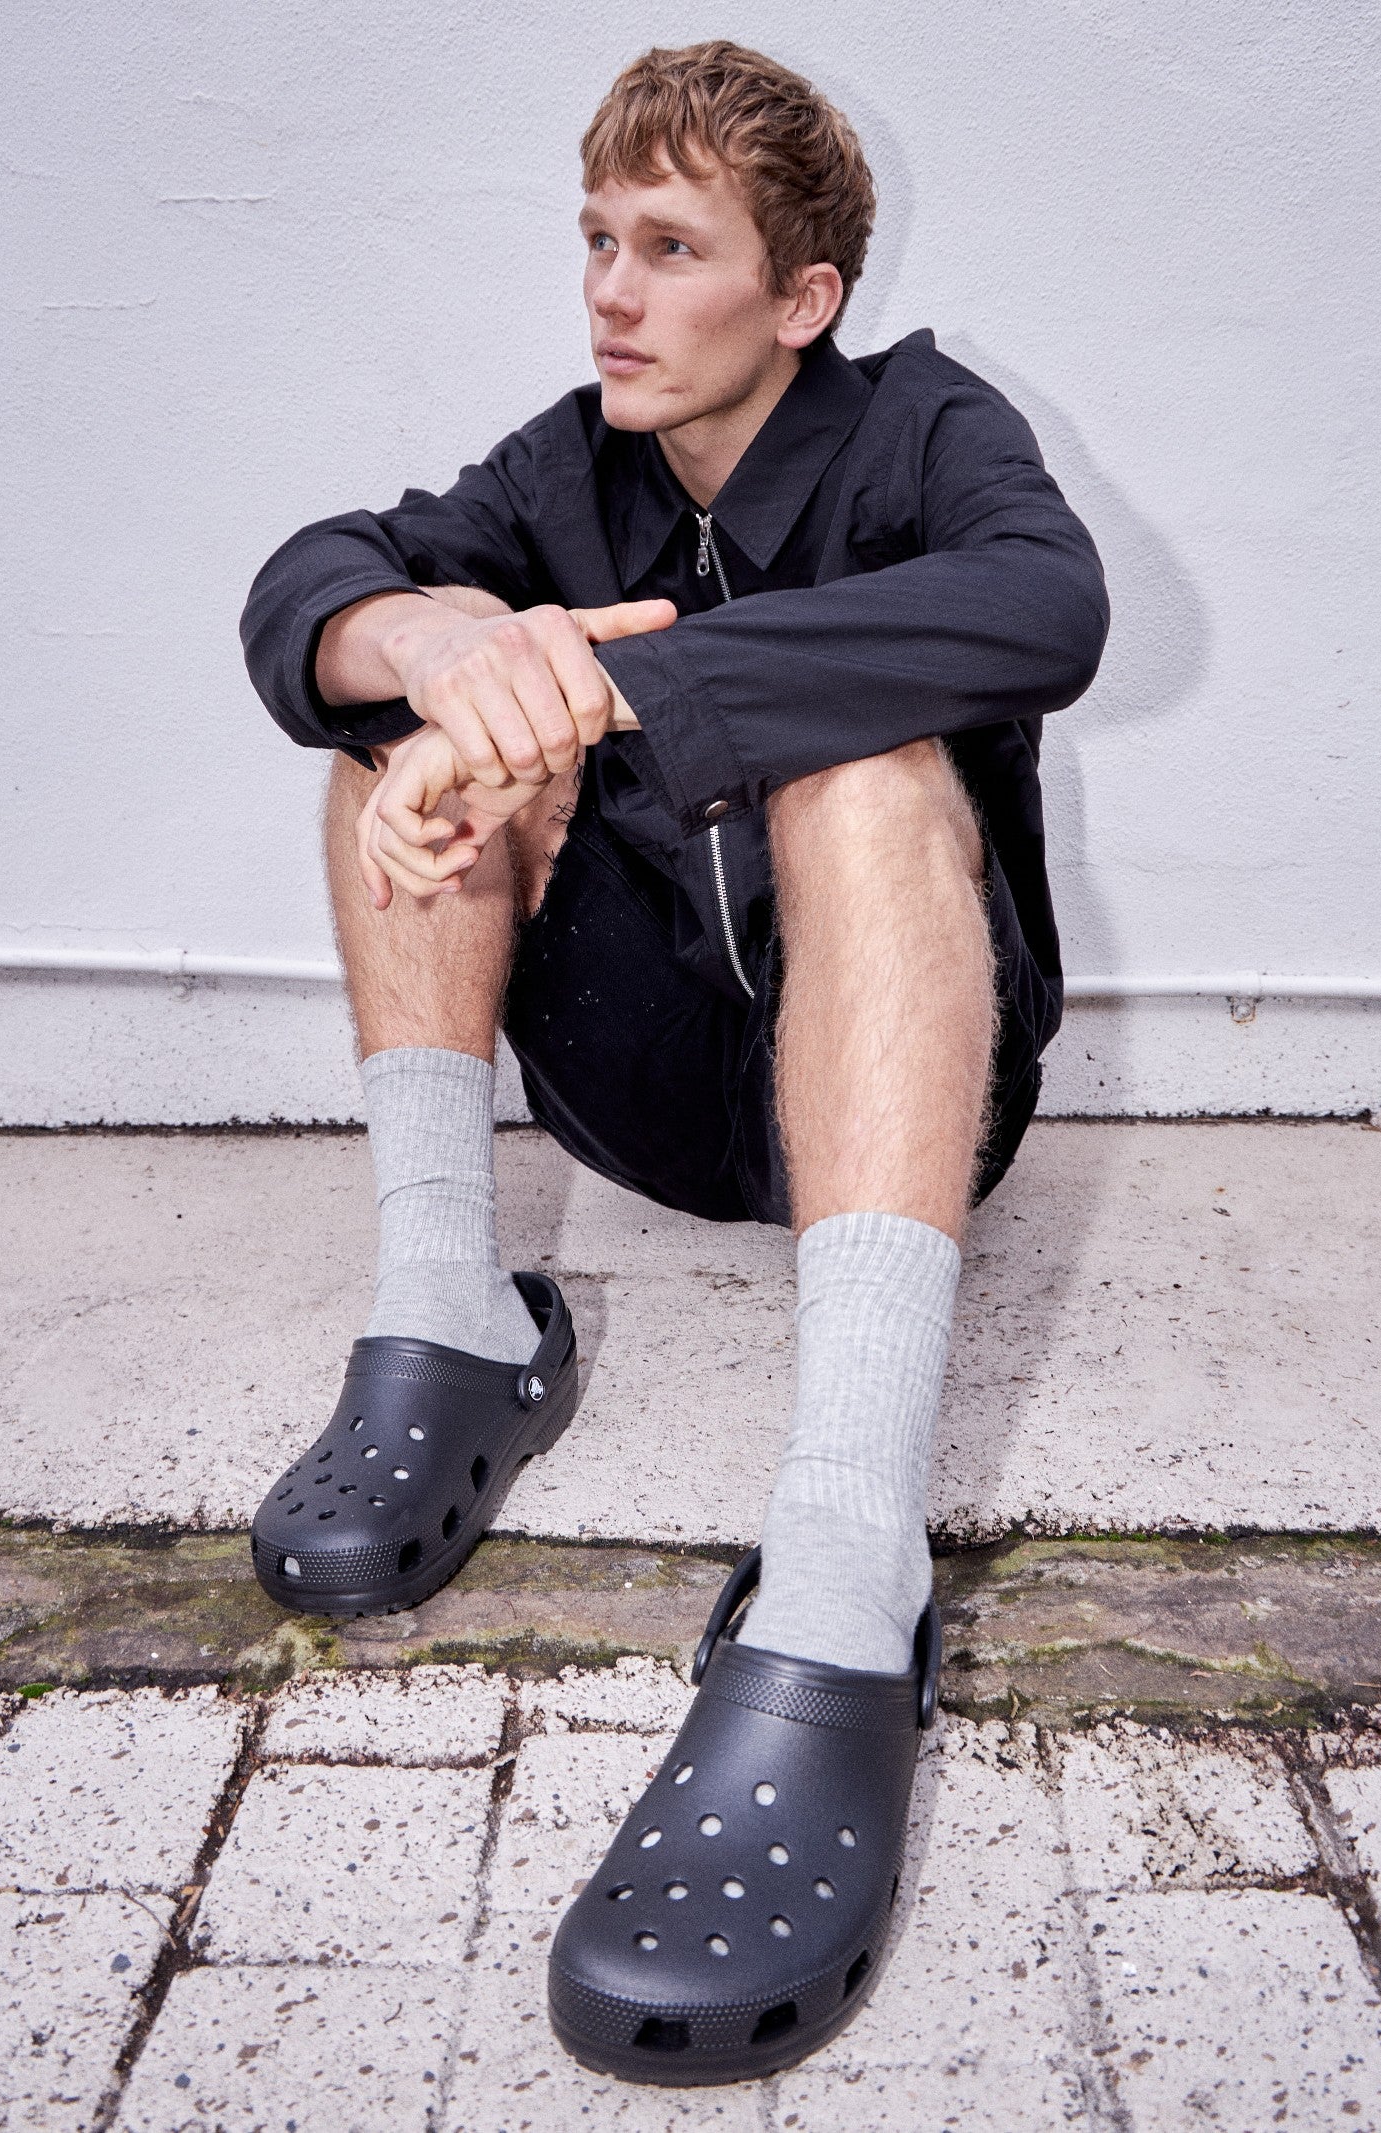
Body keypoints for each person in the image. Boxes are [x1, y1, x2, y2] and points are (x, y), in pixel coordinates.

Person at [240, 39, 1107, 2085]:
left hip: (904, 1099)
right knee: (407, 722)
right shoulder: (569, 468)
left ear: (801, 295)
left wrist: (621, 685)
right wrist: (442, 649)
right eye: (595, 241)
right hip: (640, 1082)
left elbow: (1046, 603)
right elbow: (308, 581)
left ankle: (845, 1564)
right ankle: (451, 1311)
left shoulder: (922, 429)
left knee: (864, 773)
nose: (609, 293)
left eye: (669, 248)